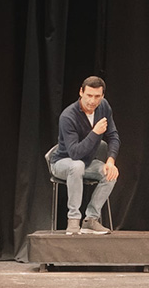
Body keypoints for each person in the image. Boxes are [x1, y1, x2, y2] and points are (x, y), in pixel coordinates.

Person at [49, 76, 120, 234]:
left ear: (102, 96)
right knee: (77, 165)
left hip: (87, 163)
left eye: (97, 96)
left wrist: (110, 161)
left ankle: (90, 220)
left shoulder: (104, 107)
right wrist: (95, 133)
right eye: (89, 95)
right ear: (81, 92)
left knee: (110, 173)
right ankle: (73, 219)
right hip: (62, 163)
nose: (92, 101)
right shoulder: (68, 116)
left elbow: (113, 136)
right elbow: (75, 153)